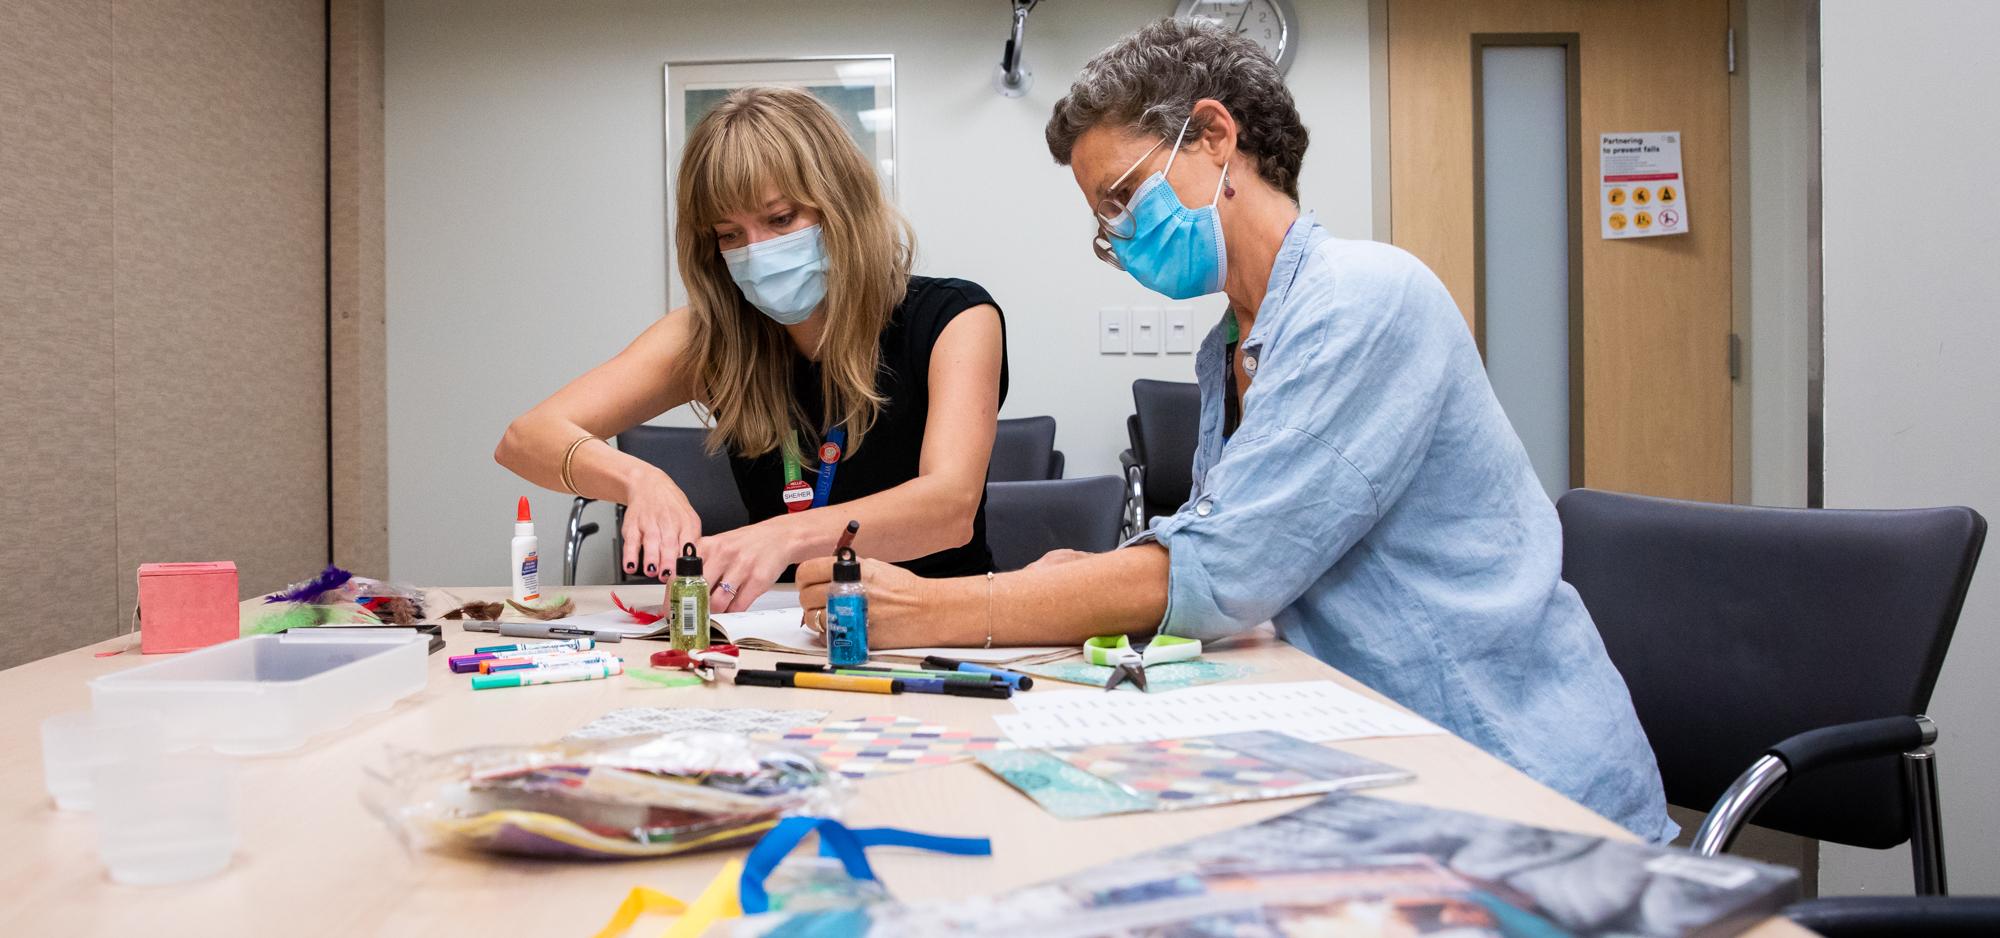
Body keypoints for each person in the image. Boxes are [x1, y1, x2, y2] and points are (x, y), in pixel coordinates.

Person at [798, 19, 1673, 842]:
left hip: (1518, 779)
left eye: (1123, 196)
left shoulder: (1366, 298)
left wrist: (931, 610)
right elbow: (1239, 543)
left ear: (1215, 137)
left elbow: (1225, 572)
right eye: (1104, 220)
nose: (1117, 232)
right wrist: (1102, 573)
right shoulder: (1228, 350)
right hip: (1385, 751)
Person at [496, 86, 1007, 613]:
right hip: (783, 626)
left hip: (945, 622)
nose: (758, 252)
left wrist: (781, 538)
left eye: (782, 219)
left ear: (843, 206)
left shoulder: (956, 318)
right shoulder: (713, 337)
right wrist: (638, 479)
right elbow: (524, 439)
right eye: (729, 234)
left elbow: (949, 507)